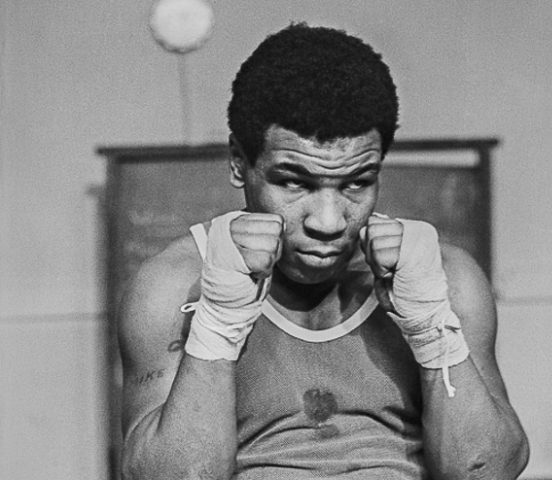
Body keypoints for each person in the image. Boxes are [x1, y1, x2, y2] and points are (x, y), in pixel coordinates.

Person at [118, 23, 529, 480]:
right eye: (295, 181)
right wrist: (217, 324)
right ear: (239, 161)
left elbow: (485, 472)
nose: (329, 222)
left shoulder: (447, 280)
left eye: (357, 181)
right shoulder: (173, 288)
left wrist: (434, 331)